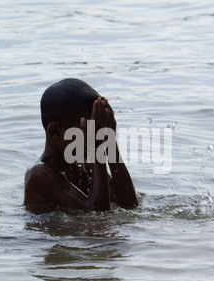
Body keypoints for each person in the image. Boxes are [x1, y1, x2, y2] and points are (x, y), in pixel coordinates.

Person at [23, 78, 138, 211]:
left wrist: (110, 143)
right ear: (55, 132)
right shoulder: (40, 174)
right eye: (87, 132)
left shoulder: (81, 166)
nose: (93, 138)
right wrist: (96, 150)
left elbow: (130, 205)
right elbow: (98, 217)